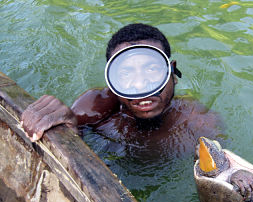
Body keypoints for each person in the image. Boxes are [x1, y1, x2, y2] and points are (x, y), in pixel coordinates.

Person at [21, 23, 222, 159]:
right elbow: (71, 146)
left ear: (172, 73)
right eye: (126, 73)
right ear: (112, 80)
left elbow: (220, 161)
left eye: (152, 69)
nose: (140, 84)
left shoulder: (195, 117)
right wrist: (66, 127)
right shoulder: (97, 106)